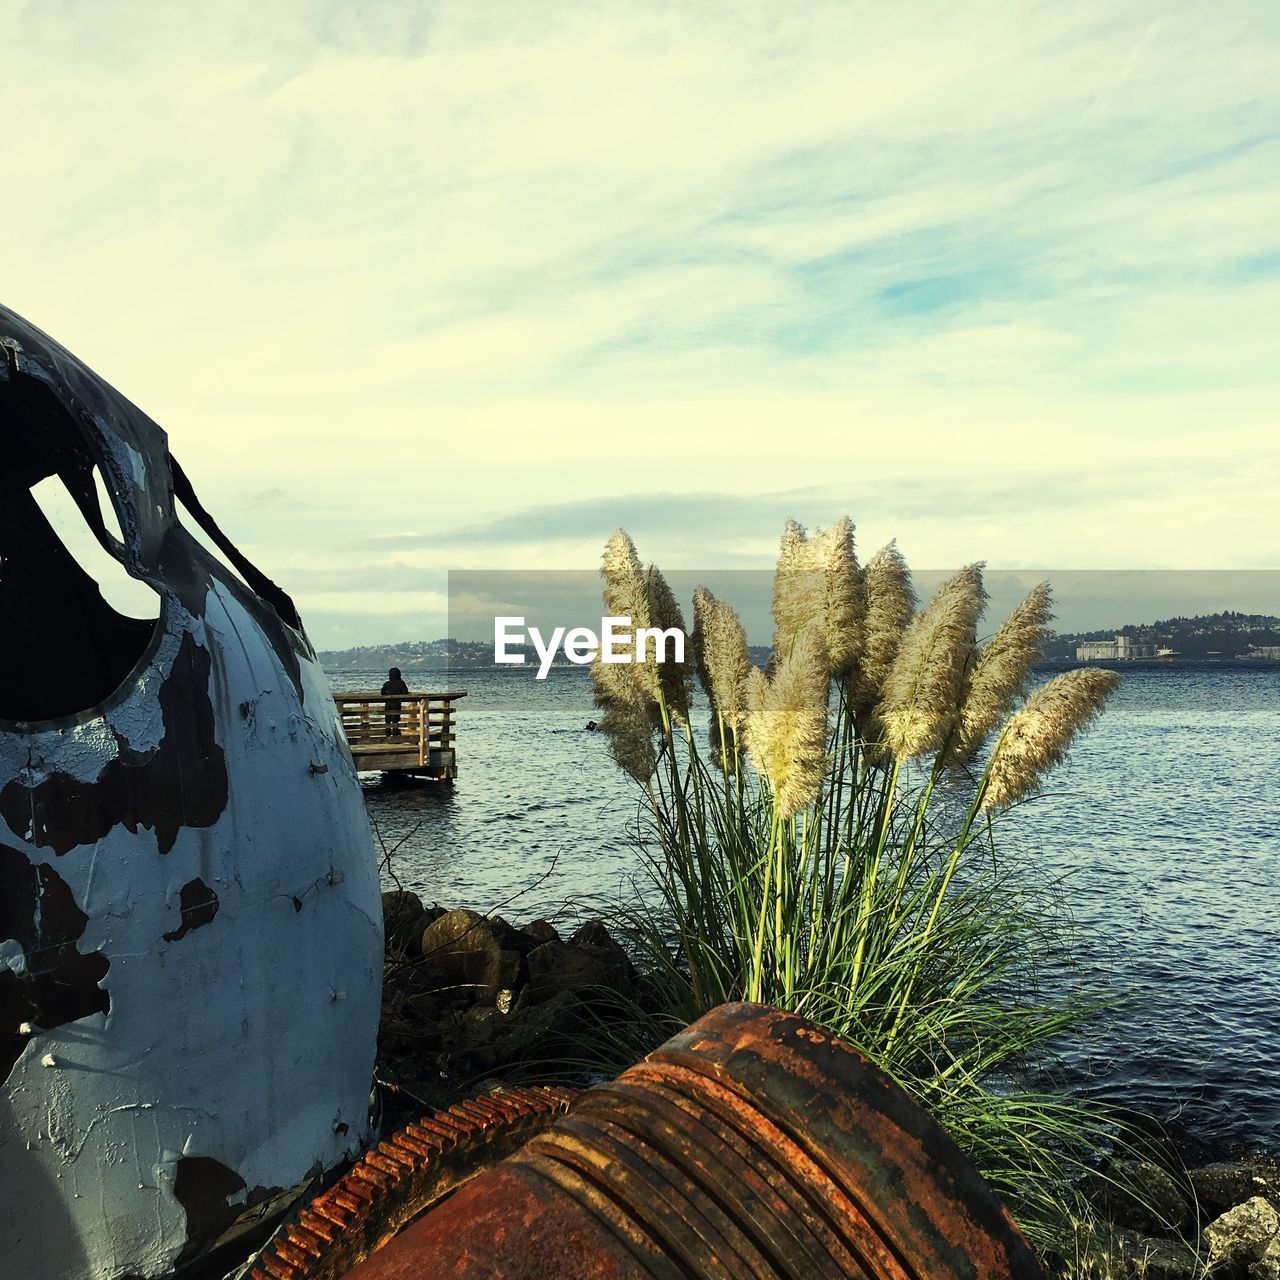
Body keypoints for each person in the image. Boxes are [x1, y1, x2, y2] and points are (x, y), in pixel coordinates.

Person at [381, 666, 409, 737]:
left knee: (387, 720)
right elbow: (405, 692)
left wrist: (388, 694)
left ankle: (387, 736)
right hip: (397, 704)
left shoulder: (387, 684)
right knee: (395, 721)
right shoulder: (401, 683)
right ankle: (395, 736)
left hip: (388, 705)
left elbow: (382, 692)